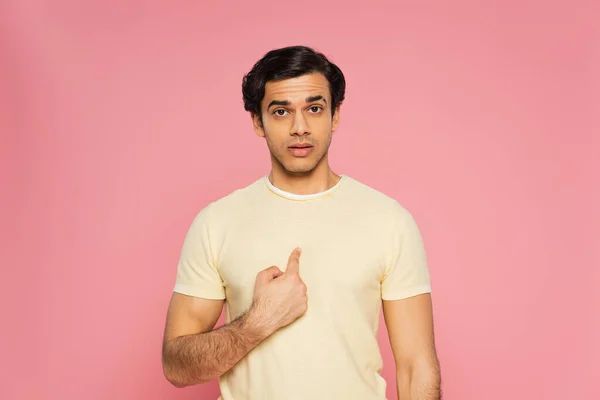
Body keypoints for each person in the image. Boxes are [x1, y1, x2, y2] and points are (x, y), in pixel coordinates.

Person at [161, 45, 441, 400]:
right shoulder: (216, 223)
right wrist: (257, 322)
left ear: (334, 116)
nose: (299, 127)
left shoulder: (389, 221)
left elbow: (416, 364)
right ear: (257, 122)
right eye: (280, 111)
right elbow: (176, 366)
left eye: (314, 108)